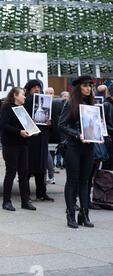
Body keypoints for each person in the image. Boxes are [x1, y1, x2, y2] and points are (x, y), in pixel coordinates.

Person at [59, 75, 97, 229]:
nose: (88, 88)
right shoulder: (71, 104)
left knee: (85, 181)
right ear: (78, 87)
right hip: (74, 146)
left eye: (90, 86)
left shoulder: (92, 105)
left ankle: (84, 214)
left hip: (89, 147)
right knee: (72, 180)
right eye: (85, 85)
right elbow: (61, 125)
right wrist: (77, 134)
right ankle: (71, 215)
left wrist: (98, 132)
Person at [0, 87, 35, 211]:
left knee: (24, 173)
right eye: (22, 95)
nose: (25, 97)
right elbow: (3, 125)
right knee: (11, 172)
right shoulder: (7, 108)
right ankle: (6, 201)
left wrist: (32, 130)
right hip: (11, 144)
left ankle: (25, 201)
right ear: (15, 95)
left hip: (23, 144)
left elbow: (27, 124)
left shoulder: (23, 109)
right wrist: (19, 132)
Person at [24, 79, 54, 203]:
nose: (37, 89)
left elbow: (52, 120)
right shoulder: (25, 101)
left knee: (42, 167)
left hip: (42, 137)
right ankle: (25, 194)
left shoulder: (45, 101)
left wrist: (50, 123)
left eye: (39, 87)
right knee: (28, 167)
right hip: (31, 138)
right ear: (29, 88)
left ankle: (42, 192)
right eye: (34, 87)